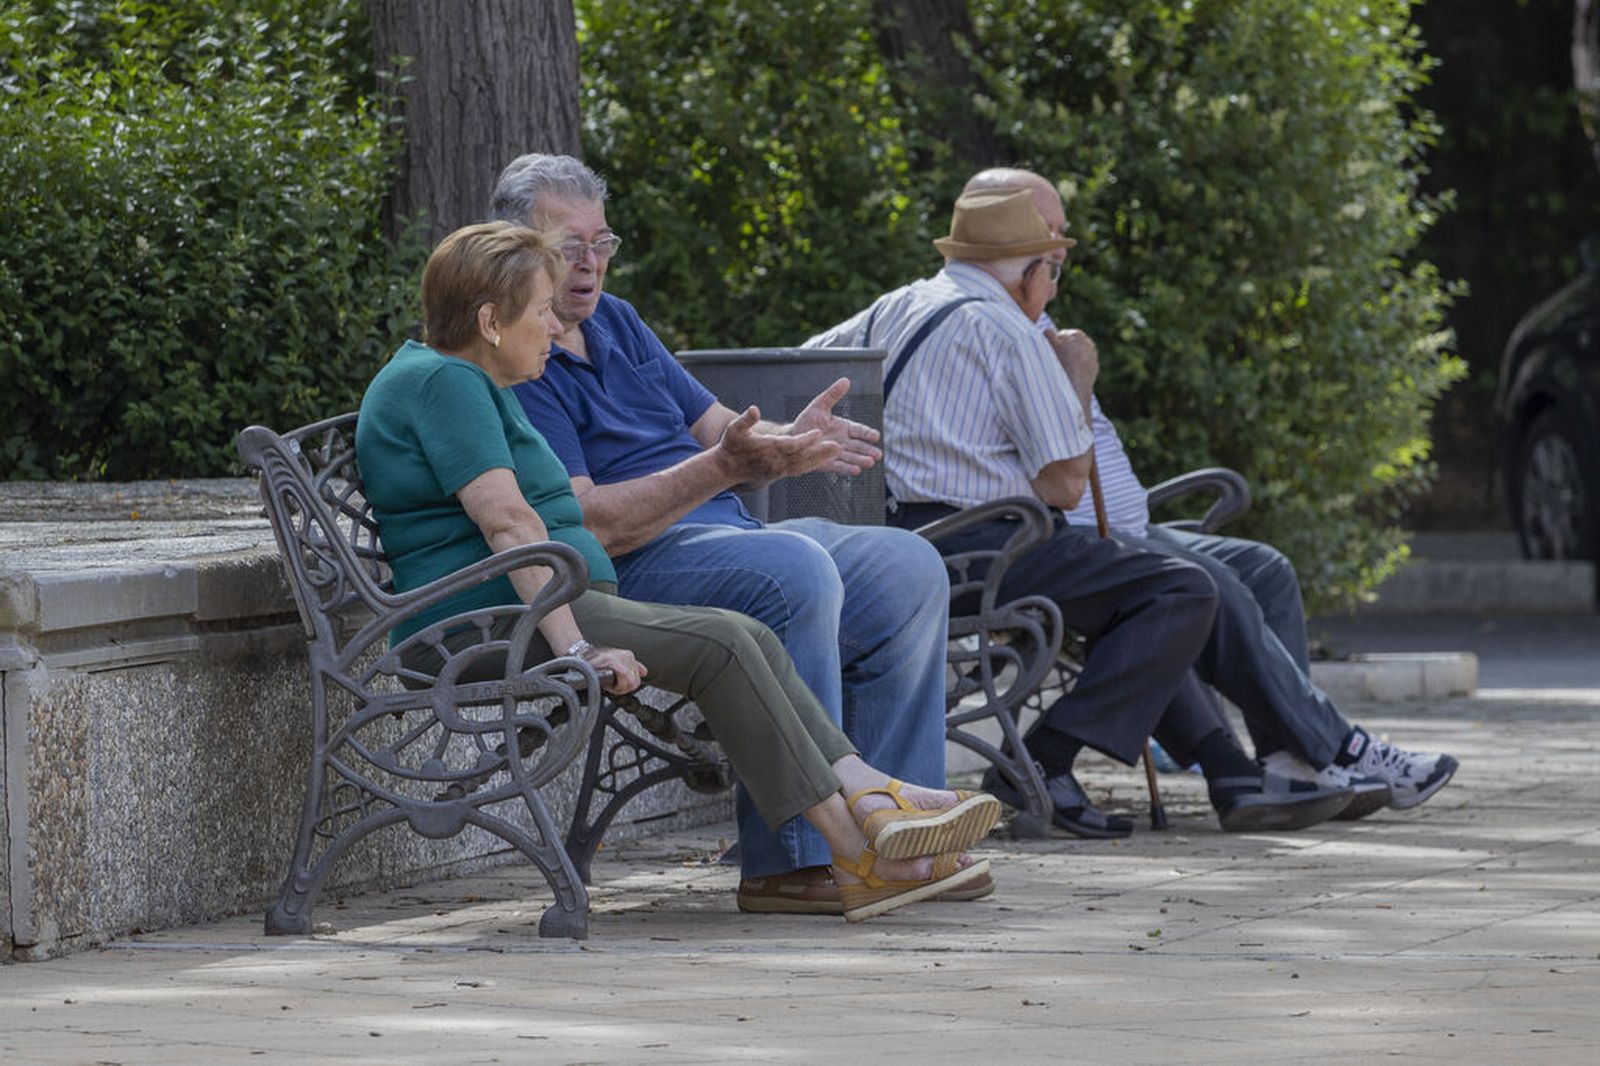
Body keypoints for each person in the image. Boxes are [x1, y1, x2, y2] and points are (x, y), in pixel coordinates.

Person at [354, 221, 999, 922]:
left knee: (738, 636)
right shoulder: (445, 383)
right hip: (489, 622)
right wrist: (577, 649)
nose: (551, 326)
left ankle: (870, 799)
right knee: (724, 644)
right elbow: (508, 523)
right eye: (539, 312)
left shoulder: (471, 380)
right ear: (489, 321)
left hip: (532, 605)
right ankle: (860, 845)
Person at [809, 171, 1456, 825]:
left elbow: (801, 364)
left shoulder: (899, 306)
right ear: (1030, 273)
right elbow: (1063, 485)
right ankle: (1041, 760)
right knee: (1181, 589)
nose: (1054, 289)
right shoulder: (1008, 331)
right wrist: (1078, 382)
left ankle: (1264, 764)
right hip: (994, 545)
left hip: (913, 544)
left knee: (1186, 578)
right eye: (1054, 272)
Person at [489, 154, 967, 914]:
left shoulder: (618, 322)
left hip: (725, 532)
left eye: (600, 243)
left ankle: (904, 833)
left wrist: (787, 441)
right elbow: (592, 523)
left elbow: (717, 430)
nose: (588, 266)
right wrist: (722, 469)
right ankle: (798, 863)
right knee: (795, 570)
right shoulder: (520, 354)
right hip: (640, 566)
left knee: (908, 566)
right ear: (516, 249)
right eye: (564, 246)